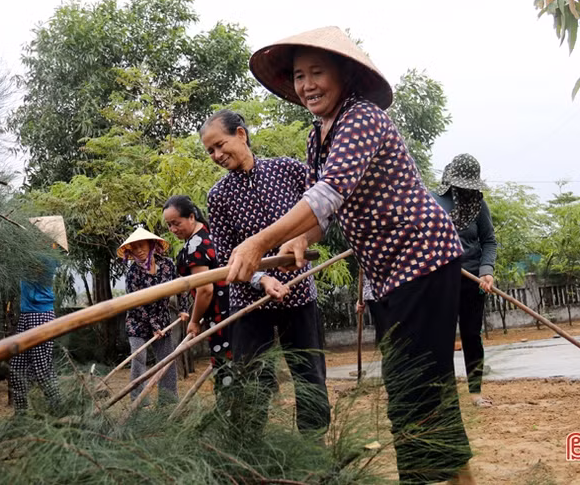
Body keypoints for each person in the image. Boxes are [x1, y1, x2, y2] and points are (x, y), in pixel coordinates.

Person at [227, 26, 476, 483]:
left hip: (421, 260)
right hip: (386, 276)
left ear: (345, 76)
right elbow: (323, 214)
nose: (307, 85)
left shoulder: (362, 118)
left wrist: (259, 240)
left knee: (412, 390)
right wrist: (300, 239)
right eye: (299, 75)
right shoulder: (315, 136)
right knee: (424, 386)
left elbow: (329, 192)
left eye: (317, 72)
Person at [199, 109, 331, 434]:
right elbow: (227, 258)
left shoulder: (288, 170)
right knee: (251, 380)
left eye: (220, 144)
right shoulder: (218, 197)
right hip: (249, 304)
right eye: (210, 151)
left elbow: (323, 213)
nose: (216, 155)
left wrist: (303, 237)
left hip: (298, 294)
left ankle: (315, 451)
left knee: (310, 376)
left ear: (241, 135)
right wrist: (262, 278)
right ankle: (252, 453)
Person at [433, 154, 497, 408]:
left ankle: (475, 393)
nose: (466, 191)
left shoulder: (479, 206)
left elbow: (489, 240)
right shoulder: (434, 202)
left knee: (472, 335)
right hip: (440, 280)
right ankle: (445, 395)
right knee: (441, 337)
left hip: (473, 281)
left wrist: (486, 270)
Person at [162, 195, 232, 386]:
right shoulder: (209, 234)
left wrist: (193, 321)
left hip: (220, 316)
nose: (173, 230)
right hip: (231, 309)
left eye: (176, 223)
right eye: (169, 225)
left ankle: (230, 412)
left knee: (226, 368)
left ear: (191, 217)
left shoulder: (195, 246)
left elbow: (205, 290)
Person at [10, 216, 69, 415]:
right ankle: (20, 413)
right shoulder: (40, 253)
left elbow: (19, 255)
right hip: (28, 314)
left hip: (40, 315)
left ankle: (58, 408)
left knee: (42, 367)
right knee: (17, 366)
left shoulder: (44, 257)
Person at [118, 227, 181, 405]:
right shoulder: (133, 273)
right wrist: (154, 326)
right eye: (134, 248)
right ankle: (139, 403)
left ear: (151, 244)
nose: (139, 250)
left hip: (162, 320)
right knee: (139, 361)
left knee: (167, 360)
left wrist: (183, 309)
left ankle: (168, 402)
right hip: (138, 323)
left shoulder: (168, 265)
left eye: (141, 245)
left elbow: (180, 287)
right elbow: (137, 304)